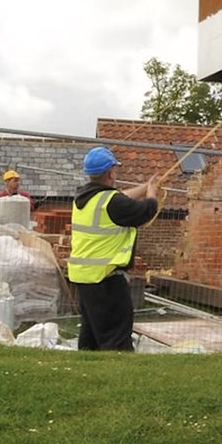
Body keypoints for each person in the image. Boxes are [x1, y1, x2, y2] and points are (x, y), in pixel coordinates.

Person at [67, 146, 159, 351]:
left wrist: (145, 187)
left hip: (85, 278)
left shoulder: (84, 198)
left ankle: (87, 372)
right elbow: (146, 211)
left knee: (91, 335)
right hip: (106, 279)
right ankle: (116, 374)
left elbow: (120, 197)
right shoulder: (112, 202)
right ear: (110, 172)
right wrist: (152, 195)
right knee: (116, 336)